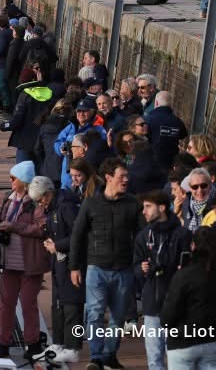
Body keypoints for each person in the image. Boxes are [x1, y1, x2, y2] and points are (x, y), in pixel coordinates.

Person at [69, 158, 142, 370]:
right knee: (95, 313)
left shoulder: (133, 204)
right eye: (122, 176)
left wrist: (138, 263)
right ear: (109, 178)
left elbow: (142, 235)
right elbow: (77, 235)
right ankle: (96, 356)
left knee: (118, 317)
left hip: (123, 269)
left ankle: (109, 355)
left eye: (127, 176)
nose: (126, 180)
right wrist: (74, 267)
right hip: (96, 268)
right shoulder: (91, 203)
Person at [0, 164, 54, 360]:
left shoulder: (35, 202)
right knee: (5, 304)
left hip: (30, 262)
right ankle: (3, 343)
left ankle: (33, 343)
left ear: (24, 180)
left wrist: (15, 227)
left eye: (14, 178)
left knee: (28, 303)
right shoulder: (7, 198)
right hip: (8, 262)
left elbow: (41, 228)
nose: (10, 181)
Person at [43, 158, 96, 365]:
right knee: (62, 303)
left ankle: (75, 346)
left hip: (83, 255)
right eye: (72, 176)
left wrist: (57, 245)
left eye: (77, 176)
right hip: (69, 255)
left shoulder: (77, 200)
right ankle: (62, 343)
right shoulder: (74, 194)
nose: (74, 180)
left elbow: (79, 232)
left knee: (76, 304)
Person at [134, 189, 190, 370]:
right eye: (143, 207)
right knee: (154, 359)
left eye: (148, 207)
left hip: (177, 304)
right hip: (152, 304)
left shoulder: (182, 234)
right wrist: (141, 269)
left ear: (162, 208)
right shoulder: (143, 236)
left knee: (177, 357)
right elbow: (135, 267)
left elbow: (190, 268)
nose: (144, 211)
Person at [160, 227, 216, 369]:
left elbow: (168, 315)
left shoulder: (184, 275)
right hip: (212, 339)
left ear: (193, 246)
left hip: (182, 342)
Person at [1, 63, 54, 163]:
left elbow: (17, 119)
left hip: (25, 140)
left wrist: (5, 125)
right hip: (42, 139)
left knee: (23, 170)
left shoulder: (25, 95)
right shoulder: (48, 93)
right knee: (39, 169)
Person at [54, 99, 107, 189]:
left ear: (93, 112)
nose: (81, 114)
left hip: (85, 176)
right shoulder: (70, 127)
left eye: (85, 111)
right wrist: (61, 149)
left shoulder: (98, 130)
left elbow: (99, 151)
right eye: (79, 111)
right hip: (67, 177)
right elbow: (58, 142)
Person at [146, 90, 189, 173]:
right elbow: (183, 135)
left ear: (156, 103)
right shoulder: (177, 121)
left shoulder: (149, 119)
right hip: (171, 164)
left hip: (152, 163)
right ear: (170, 104)